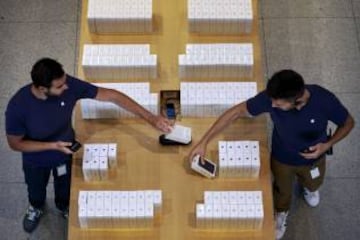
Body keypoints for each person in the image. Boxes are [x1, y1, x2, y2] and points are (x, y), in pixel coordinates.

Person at [5, 58, 172, 233]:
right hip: (36, 160)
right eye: (60, 86)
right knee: (36, 188)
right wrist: (53, 146)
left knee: (65, 185)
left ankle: (63, 206)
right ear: (41, 89)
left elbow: (113, 95)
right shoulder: (18, 108)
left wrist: (151, 118)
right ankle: (36, 207)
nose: (66, 87)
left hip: (65, 152)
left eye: (65, 82)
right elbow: (15, 144)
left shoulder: (67, 85)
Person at [188, 69, 354, 239]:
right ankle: (281, 212)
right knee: (282, 190)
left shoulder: (325, 100)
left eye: (279, 104)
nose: (272, 106)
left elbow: (348, 122)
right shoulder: (271, 97)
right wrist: (204, 142)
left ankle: (309, 189)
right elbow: (236, 112)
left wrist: (327, 145)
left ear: (298, 102)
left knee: (313, 182)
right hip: (282, 157)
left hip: (314, 159)